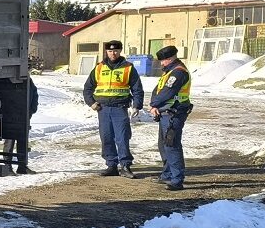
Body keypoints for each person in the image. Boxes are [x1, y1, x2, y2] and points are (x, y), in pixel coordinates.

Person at [82, 39, 143, 177]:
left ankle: (126, 166)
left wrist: (136, 106)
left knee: (122, 137)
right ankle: (111, 165)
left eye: (115, 51)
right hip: (102, 109)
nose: (113, 53)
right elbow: (87, 88)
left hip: (119, 108)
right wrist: (91, 103)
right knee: (106, 137)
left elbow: (137, 89)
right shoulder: (99, 67)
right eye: (110, 51)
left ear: (120, 51)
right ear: (106, 52)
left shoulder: (128, 68)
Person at [148, 45, 192, 191]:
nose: (161, 63)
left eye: (163, 60)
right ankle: (167, 174)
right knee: (163, 144)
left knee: (172, 144)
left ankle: (177, 179)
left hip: (175, 113)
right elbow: (158, 90)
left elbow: (168, 91)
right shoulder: (169, 72)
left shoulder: (178, 73)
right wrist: (154, 105)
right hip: (165, 112)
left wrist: (154, 104)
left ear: (171, 58)